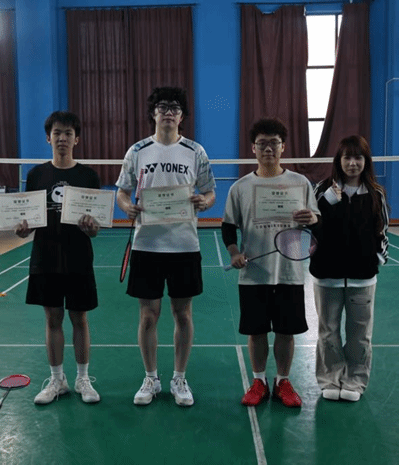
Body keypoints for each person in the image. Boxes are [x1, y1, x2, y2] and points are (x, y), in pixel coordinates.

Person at [115, 87, 216, 407]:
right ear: (153, 114)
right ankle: (151, 378)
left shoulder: (195, 151)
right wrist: (127, 208)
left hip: (184, 245)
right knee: (148, 316)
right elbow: (122, 192)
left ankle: (179, 378)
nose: (169, 112)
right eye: (162, 107)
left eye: (175, 107)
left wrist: (204, 202)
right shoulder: (137, 151)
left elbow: (210, 192)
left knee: (182, 314)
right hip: (147, 245)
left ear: (182, 115)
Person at [222, 118, 320, 408]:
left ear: (283, 147)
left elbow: (317, 220)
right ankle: (259, 381)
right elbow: (228, 226)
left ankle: (283, 381)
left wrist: (313, 219)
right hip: (254, 273)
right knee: (257, 331)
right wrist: (233, 253)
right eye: (262, 143)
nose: (268, 149)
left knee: (286, 331)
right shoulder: (240, 187)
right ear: (253, 148)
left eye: (274, 143)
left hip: (289, 272)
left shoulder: (300, 183)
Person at [16, 111, 102, 404]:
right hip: (46, 256)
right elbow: (29, 220)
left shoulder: (88, 176)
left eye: (68, 133)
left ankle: (82, 379)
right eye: (57, 133)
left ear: (76, 139)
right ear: (48, 138)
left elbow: (95, 227)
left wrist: (92, 228)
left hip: (78, 257)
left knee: (80, 318)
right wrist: (22, 229)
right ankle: (57, 380)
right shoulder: (36, 175)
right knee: (53, 318)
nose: (62, 138)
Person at [310, 135, 389, 402]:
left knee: (360, 335)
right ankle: (331, 378)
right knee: (328, 332)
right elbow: (312, 226)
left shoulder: (376, 194)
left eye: (358, 157)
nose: (353, 163)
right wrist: (328, 201)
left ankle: (355, 381)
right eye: (347, 157)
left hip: (362, 278)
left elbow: (382, 230)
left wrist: (374, 260)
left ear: (366, 161)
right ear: (339, 160)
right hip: (326, 276)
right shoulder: (322, 189)